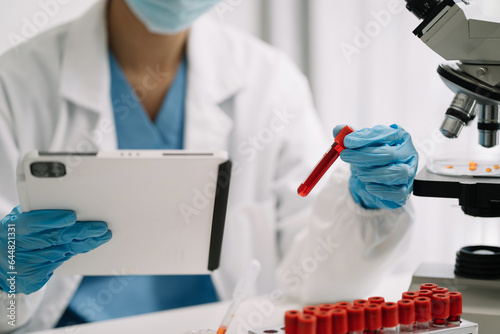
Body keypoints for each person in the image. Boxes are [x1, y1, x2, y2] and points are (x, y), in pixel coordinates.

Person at [0, 0, 418, 332]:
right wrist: (6, 270)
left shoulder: (271, 82)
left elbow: (316, 280)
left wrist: (367, 209)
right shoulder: (15, 82)